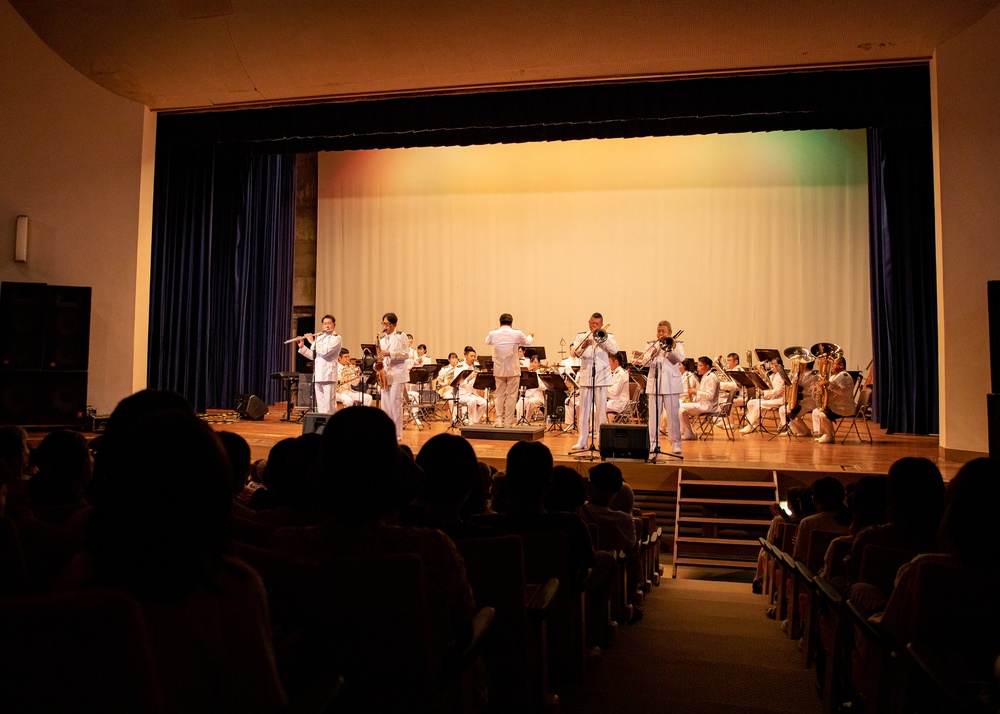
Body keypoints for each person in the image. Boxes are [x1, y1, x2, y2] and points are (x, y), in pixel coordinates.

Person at [569, 312, 619, 451]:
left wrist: (602, 340)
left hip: (602, 378)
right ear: (588, 323)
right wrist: (584, 345)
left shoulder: (608, 336)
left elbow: (614, 349)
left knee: (601, 411)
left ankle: (602, 440)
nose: (594, 326)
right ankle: (582, 440)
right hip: (586, 377)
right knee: (584, 410)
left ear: (601, 325)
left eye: (596, 324)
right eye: (592, 323)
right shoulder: (581, 336)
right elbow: (574, 353)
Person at [638, 320, 684, 456]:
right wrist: (653, 352)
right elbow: (644, 362)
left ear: (670, 331)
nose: (660, 334)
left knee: (673, 416)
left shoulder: (678, 344)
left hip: (671, 385)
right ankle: (653, 442)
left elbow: (680, 358)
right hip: (655, 385)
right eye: (659, 331)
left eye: (663, 331)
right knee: (653, 416)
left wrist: (669, 347)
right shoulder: (651, 344)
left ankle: (676, 443)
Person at [485, 313, 534, 428]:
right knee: (511, 396)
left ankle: (498, 420)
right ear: (511, 323)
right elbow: (528, 342)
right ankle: (508, 422)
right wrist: (530, 335)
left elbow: (487, 342)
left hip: (499, 369)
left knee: (499, 395)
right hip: (513, 369)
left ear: (500, 322)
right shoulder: (516, 333)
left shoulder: (493, 333)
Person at [296, 314, 342, 415]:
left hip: (329, 375)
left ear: (334, 325)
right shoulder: (320, 337)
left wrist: (312, 341)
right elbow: (314, 356)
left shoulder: (336, 338)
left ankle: (330, 424)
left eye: (329, 323)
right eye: (325, 324)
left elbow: (325, 352)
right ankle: (322, 425)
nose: (327, 326)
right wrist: (303, 347)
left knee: (329, 403)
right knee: (320, 404)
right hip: (318, 375)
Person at [377, 312, 410, 441]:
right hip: (386, 374)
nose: (385, 327)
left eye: (388, 324)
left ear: (394, 324)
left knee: (395, 404)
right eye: (384, 324)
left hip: (398, 373)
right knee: (385, 405)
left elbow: (405, 354)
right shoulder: (382, 339)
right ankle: (386, 432)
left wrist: (389, 353)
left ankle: (397, 434)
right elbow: (382, 356)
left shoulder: (401, 336)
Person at [811, 355, 855, 444]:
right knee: (816, 411)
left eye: (834, 364)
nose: (832, 366)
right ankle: (824, 433)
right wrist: (819, 388)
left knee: (823, 415)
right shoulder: (833, 377)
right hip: (834, 406)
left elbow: (843, 391)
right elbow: (829, 389)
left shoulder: (845, 377)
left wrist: (828, 384)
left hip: (843, 407)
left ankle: (829, 436)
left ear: (841, 365)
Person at [678, 356, 721, 440]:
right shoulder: (706, 376)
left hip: (709, 406)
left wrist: (696, 392)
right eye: (698, 366)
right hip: (703, 403)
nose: (698, 368)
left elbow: (710, 395)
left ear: (707, 367)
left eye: (700, 366)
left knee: (680, 408)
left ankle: (689, 433)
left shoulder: (711, 377)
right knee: (680, 407)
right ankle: (687, 432)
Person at [740, 357, 786, 435]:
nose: (772, 366)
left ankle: (750, 425)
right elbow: (769, 386)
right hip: (771, 398)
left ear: (780, 365)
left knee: (759, 404)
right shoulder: (772, 376)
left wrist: (764, 393)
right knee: (750, 402)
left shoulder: (782, 377)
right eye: (771, 364)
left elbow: (777, 391)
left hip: (779, 399)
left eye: (774, 364)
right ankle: (756, 424)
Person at [455, 346, 487, 425]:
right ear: (465, 356)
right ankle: (471, 422)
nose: (473, 358)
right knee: (472, 401)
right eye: (471, 356)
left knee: (484, 402)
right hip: (462, 394)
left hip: (472, 393)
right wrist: (468, 379)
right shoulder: (459, 367)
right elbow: (456, 382)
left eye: (474, 356)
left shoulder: (475, 367)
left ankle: (475, 421)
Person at [514, 354, 546, 423]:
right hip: (527, 396)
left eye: (535, 362)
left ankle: (527, 421)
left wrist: (537, 381)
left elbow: (544, 388)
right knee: (519, 403)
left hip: (537, 397)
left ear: (539, 364)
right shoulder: (527, 373)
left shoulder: (541, 373)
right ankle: (519, 421)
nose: (533, 364)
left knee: (531, 403)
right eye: (532, 362)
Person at [606, 352, 630, 417]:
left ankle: (599, 426)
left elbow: (614, 393)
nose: (608, 364)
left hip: (620, 403)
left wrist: (604, 389)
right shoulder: (616, 373)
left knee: (596, 409)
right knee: (593, 407)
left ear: (616, 362)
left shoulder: (621, 374)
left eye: (609, 361)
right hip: (615, 401)